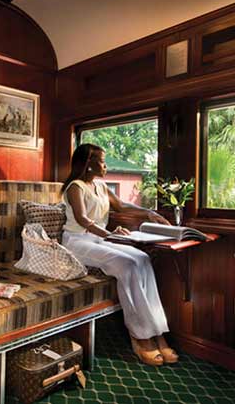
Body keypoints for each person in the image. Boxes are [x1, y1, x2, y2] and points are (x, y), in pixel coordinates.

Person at [61, 143, 178, 366]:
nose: (106, 166)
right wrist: (110, 235)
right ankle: (140, 335)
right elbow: (83, 220)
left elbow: (122, 206)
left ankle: (158, 332)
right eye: (102, 161)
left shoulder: (101, 186)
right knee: (128, 265)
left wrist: (149, 213)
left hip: (99, 238)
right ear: (88, 164)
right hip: (77, 241)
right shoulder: (75, 187)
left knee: (143, 259)